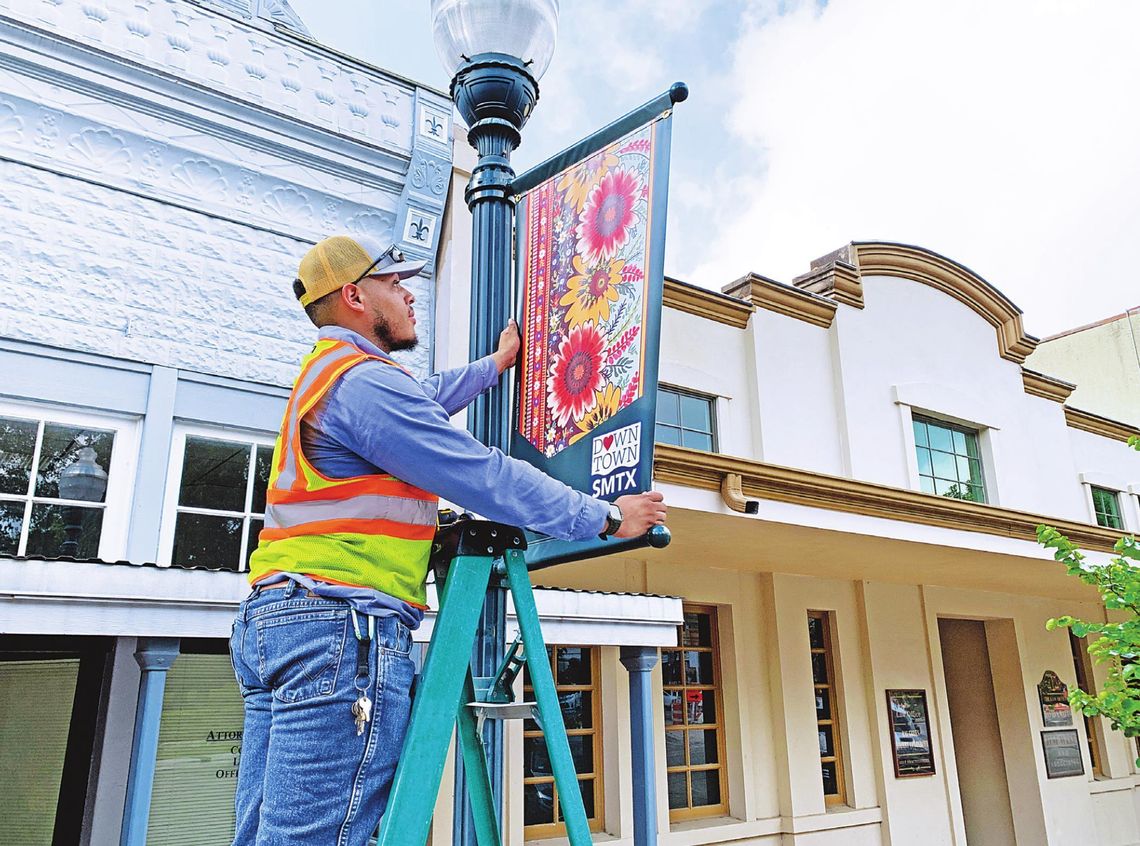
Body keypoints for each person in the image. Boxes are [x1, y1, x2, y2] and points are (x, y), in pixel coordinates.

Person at [229, 235, 668, 846]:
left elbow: (426, 399)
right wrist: (605, 518)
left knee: (268, 834)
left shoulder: (331, 376)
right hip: (340, 622)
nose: (409, 294)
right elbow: (482, 474)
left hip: (279, 622)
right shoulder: (363, 385)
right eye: (393, 283)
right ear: (356, 296)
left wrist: (495, 367)